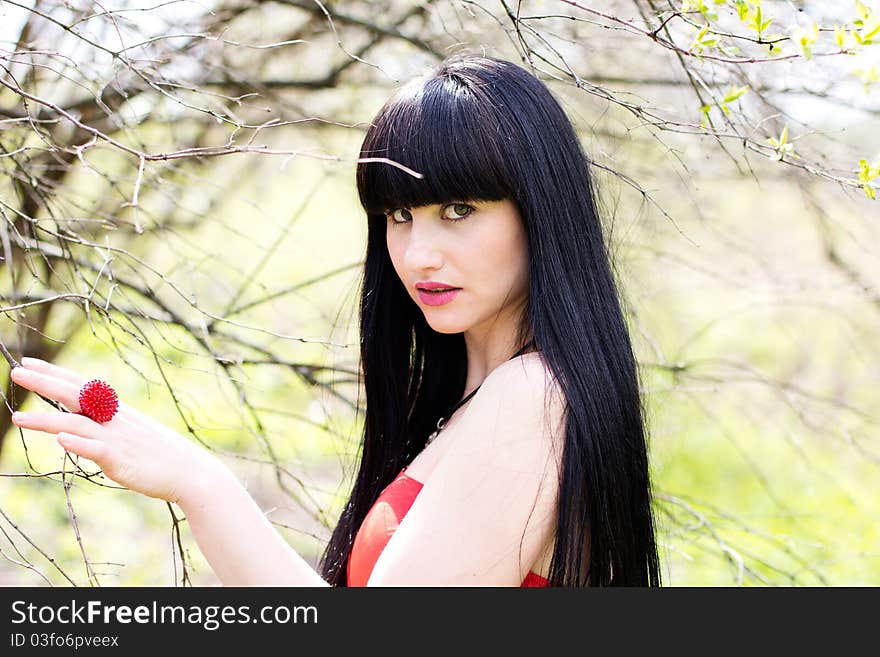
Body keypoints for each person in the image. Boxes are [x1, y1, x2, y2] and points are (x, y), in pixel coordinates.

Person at [8, 53, 662, 586]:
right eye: (399, 216)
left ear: (539, 209)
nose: (417, 253)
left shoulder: (531, 398)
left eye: (458, 209)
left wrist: (207, 485)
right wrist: (195, 482)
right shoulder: (473, 400)